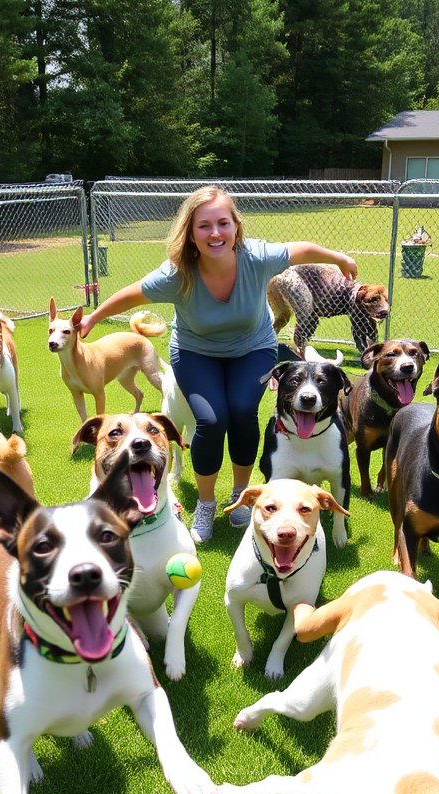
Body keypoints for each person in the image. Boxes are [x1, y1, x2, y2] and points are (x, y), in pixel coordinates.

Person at [79, 185, 358, 543]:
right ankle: (206, 504)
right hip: (196, 352)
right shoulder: (177, 274)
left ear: (235, 227)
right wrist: (91, 319)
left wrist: (338, 258)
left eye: (223, 223)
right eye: (204, 225)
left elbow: (300, 250)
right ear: (191, 234)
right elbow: (131, 293)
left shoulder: (256, 256)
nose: (215, 233)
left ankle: (240, 496)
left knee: (242, 411)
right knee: (211, 420)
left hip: (252, 348)